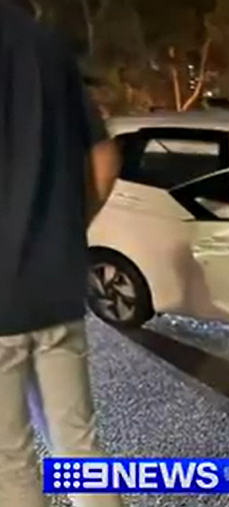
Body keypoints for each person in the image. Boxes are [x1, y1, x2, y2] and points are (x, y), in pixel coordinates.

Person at [0, 1, 124, 506]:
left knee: (11, 463)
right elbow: (105, 159)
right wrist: (69, 233)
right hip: (57, 287)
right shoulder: (47, 46)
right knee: (81, 452)